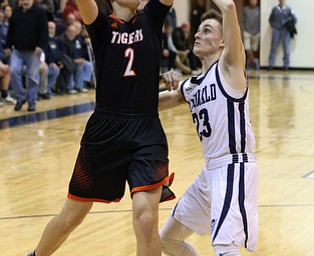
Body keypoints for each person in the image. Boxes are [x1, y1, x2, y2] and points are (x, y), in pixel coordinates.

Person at [26, 0, 177, 255]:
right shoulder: (101, 26)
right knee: (71, 216)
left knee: (146, 218)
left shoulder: (152, 17)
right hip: (105, 131)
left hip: (146, 130)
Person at [158, 0, 258, 255]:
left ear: (223, 42)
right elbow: (151, 103)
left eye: (206, 30)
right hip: (209, 172)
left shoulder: (229, 68)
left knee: (225, 249)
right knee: (166, 240)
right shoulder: (192, 85)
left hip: (233, 167)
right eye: (198, 30)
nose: (197, 34)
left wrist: (226, 15)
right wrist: (155, 79)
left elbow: (230, 8)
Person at [5, 0, 48, 111]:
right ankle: (20, 98)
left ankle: (32, 101)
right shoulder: (16, 12)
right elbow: (10, 30)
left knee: (33, 77)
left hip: (33, 50)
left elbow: (44, 31)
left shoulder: (40, 12)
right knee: (13, 71)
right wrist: (7, 46)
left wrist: (40, 46)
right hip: (17, 50)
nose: (25, 1)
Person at [268, 0, 297, 70]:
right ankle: (271, 64)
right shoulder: (275, 9)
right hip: (276, 29)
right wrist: (274, 25)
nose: (282, 1)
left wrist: (289, 24)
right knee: (273, 46)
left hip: (285, 30)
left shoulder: (288, 9)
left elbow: (294, 19)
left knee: (286, 47)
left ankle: (286, 65)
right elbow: (270, 19)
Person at [241, 0, 260, 70]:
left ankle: (249, 62)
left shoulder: (259, 10)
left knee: (254, 49)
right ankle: (255, 60)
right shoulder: (245, 10)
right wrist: (243, 30)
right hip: (247, 32)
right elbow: (242, 20)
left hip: (256, 32)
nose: (253, 1)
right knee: (247, 48)